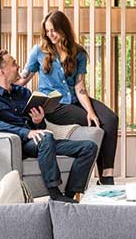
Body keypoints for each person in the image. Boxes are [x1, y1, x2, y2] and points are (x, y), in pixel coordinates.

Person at [0, 48, 97, 203]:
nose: (18, 66)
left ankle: (68, 196)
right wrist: (26, 133)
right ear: (3, 71)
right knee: (45, 136)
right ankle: (54, 193)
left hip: (39, 141)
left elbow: (39, 127)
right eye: (13, 63)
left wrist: (38, 121)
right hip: (17, 145)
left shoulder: (23, 92)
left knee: (89, 147)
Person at [21, 10, 120, 185]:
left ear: (63, 28)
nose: (50, 35)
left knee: (110, 119)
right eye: (47, 31)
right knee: (96, 125)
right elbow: (24, 78)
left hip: (74, 99)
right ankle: (106, 181)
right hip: (53, 105)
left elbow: (79, 86)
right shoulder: (38, 51)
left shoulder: (78, 52)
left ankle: (107, 173)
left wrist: (90, 111)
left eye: (54, 30)